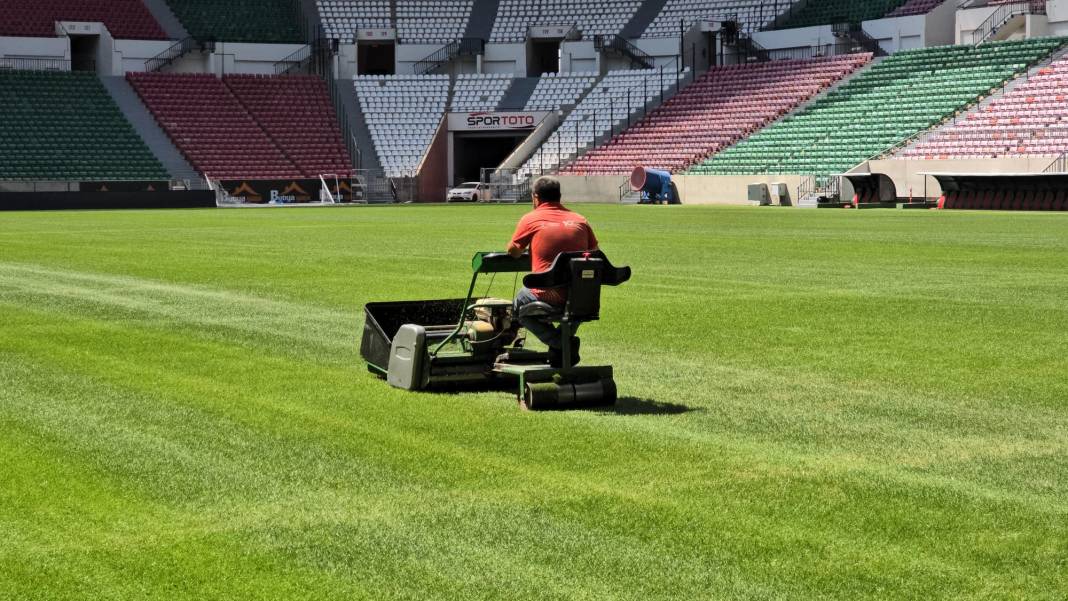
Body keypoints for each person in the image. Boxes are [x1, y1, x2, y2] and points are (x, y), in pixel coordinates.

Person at [507, 176, 599, 366]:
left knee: (518, 307)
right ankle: (561, 350)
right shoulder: (580, 220)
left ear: (535, 197)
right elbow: (595, 253)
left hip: (549, 294)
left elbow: (513, 252)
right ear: (559, 196)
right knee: (573, 310)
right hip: (582, 296)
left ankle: (560, 343)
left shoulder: (530, 219)